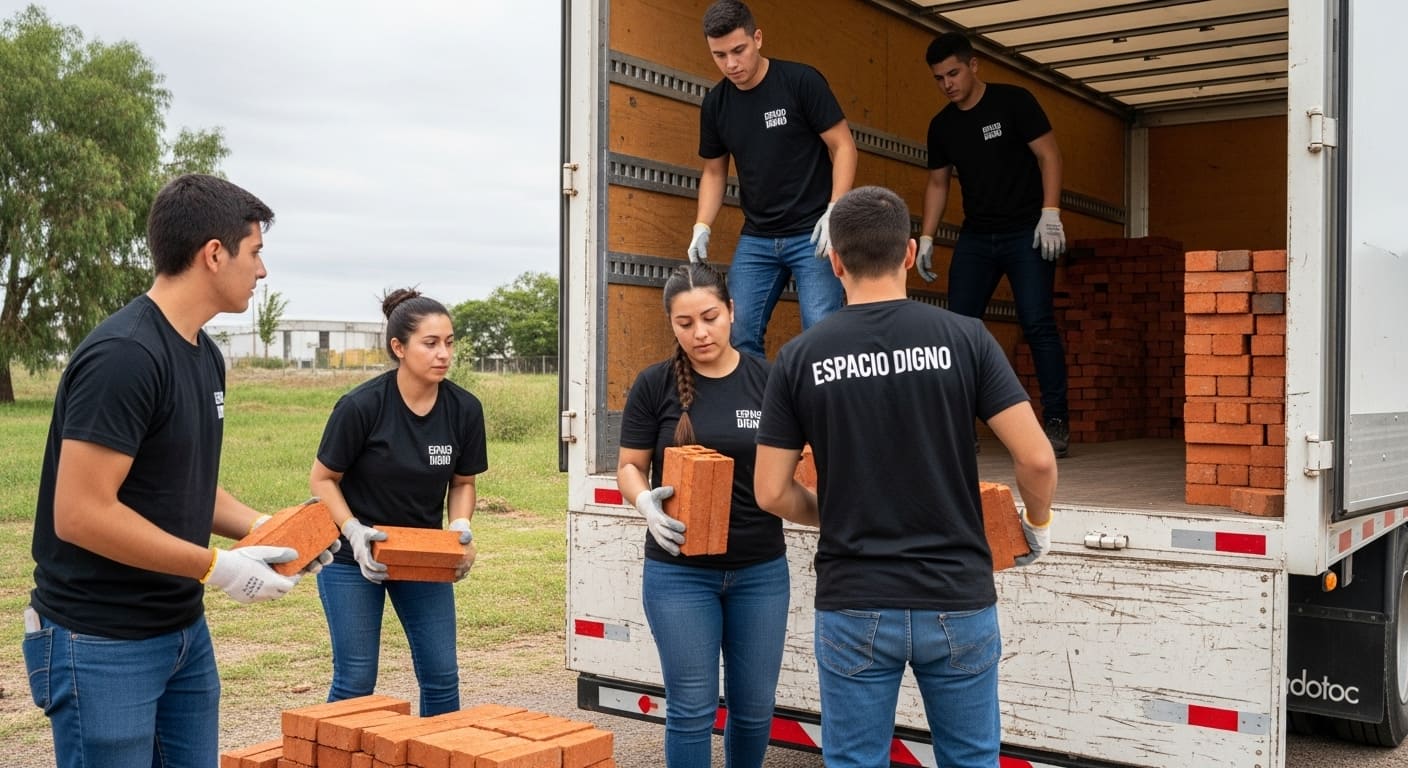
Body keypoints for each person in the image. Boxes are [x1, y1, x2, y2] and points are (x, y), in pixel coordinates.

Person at [23, 173, 335, 768]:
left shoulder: (204, 353)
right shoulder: (125, 355)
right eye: (256, 252)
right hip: (101, 639)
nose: (263, 271)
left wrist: (269, 530)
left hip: (181, 632)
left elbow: (186, 484)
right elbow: (82, 513)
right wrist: (218, 567)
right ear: (214, 254)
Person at [753, 186, 1058, 768]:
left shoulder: (800, 356)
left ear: (835, 260)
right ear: (910, 251)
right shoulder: (967, 338)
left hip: (854, 600)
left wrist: (831, 510)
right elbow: (1038, 459)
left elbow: (770, 491)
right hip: (958, 597)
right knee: (971, 760)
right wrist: (1037, 522)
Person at [616, 263, 788, 767]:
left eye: (710, 317)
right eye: (684, 322)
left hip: (760, 571)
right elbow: (630, 465)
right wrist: (645, 503)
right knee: (691, 709)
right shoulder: (654, 384)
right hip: (678, 573)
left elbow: (803, 462)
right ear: (671, 324)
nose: (700, 332)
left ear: (732, 312)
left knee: (755, 710)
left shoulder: (771, 381)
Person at [310, 288, 485, 717]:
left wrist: (460, 526)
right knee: (355, 680)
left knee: (442, 676)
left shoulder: (464, 409)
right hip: (354, 559)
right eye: (430, 343)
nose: (443, 353)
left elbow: (462, 483)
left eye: (449, 342)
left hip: (421, 555)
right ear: (398, 348)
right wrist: (353, 533)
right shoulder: (361, 405)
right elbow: (322, 479)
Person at [916, 31, 1071, 457]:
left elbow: (1050, 156)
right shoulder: (942, 125)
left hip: (1027, 231)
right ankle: (959, 427)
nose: (947, 83)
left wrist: (1051, 213)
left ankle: (1056, 422)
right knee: (959, 330)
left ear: (973, 65)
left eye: (953, 73)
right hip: (977, 236)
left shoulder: (1014, 101)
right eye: (938, 78)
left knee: (1037, 322)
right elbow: (937, 182)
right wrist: (927, 235)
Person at [687, 0, 857, 359]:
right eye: (719, 55)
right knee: (737, 334)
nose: (731, 64)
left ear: (758, 38)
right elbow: (715, 171)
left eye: (739, 50)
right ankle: (758, 414)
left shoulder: (800, 82)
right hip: (758, 237)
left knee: (821, 332)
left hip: (813, 232)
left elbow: (843, 146)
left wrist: (836, 209)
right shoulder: (716, 104)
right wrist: (702, 225)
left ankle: (822, 414)